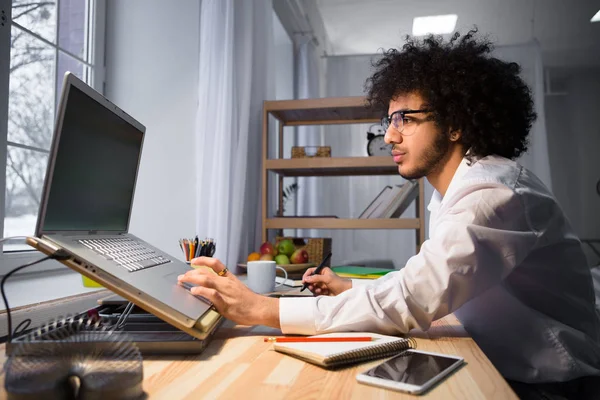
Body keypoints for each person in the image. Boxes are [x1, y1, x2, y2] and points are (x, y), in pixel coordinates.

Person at [178, 29, 600, 398]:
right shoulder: (463, 187)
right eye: (389, 118)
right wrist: (348, 288)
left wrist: (262, 310)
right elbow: (427, 276)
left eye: (406, 118)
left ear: (455, 124)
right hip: (509, 365)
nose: (390, 134)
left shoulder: (492, 192)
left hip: (550, 384)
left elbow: (414, 298)